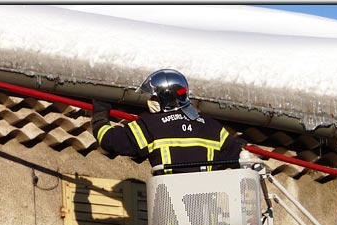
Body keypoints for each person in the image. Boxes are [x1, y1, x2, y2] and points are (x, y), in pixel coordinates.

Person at [91, 69, 244, 174]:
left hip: (170, 211)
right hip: (206, 214)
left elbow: (108, 140)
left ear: (165, 99)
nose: (150, 101)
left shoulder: (151, 125)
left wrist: (100, 110)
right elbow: (240, 158)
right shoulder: (213, 127)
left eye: (153, 97)